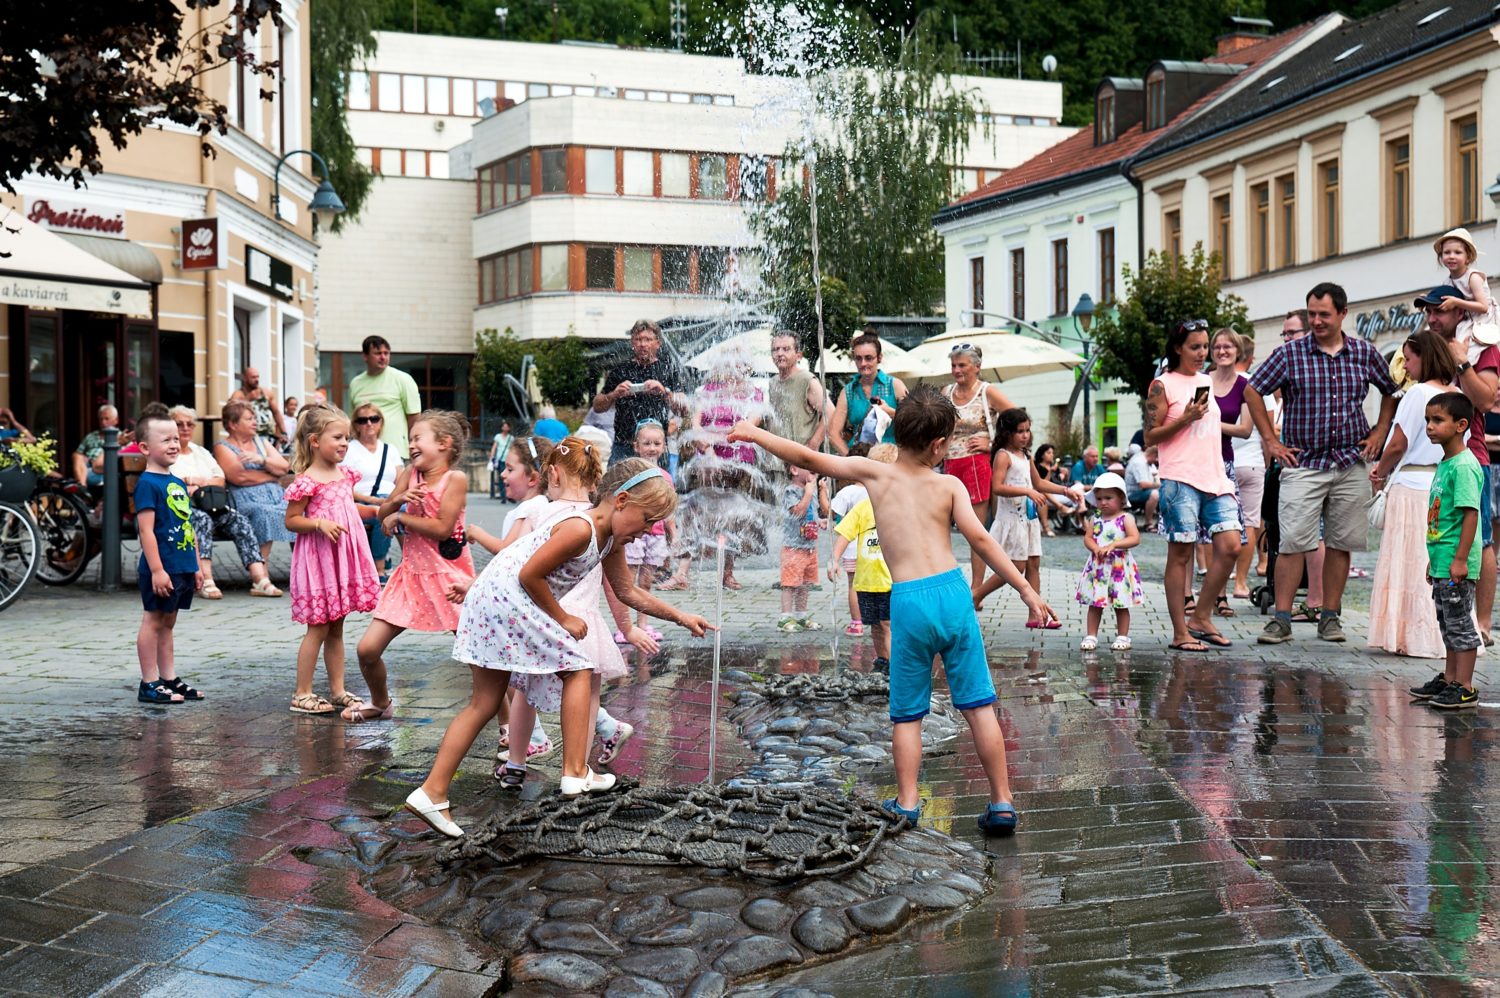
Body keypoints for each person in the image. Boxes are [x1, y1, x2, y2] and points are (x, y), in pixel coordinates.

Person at [728, 387, 1055, 837]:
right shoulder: (950, 485)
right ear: (940, 446)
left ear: (897, 432)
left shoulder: (874, 475)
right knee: (979, 706)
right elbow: (981, 540)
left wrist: (753, 434)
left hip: (910, 601)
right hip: (953, 595)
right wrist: (1024, 590)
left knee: (907, 713)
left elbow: (810, 457)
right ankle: (1001, 802)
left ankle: (907, 802)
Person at [406, 460, 711, 836]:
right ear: (622, 500)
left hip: (494, 601)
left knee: (485, 702)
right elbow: (528, 574)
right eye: (647, 519)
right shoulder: (579, 529)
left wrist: (681, 617)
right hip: (508, 598)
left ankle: (431, 793)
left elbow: (627, 591)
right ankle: (575, 772)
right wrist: (563, 618)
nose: (648, 531)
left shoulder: (610, 537)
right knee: (579, 668)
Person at [460, 440, 647, 792]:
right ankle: (580, 765)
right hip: (579, 617)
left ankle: (517, 762)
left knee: (526, 691)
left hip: (545, 612)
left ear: (552, 473)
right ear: (596, 481)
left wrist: (475, 584)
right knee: (587, 691)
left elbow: (508, 560)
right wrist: (627, 628)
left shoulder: (539, 511)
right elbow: (619, 589)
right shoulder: (599, 520)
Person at [1247, 284, 1399, 645]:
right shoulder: (1291, 353)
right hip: (1303, 460)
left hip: (1350, 459)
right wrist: (1270, 440)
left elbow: (1392, 390)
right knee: (1292, 542)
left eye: (1323, 315)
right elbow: (1254, 389)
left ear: (1343, 314)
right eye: (1311, 313)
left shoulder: (1364, 352)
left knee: (1340, 542)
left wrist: (1380, 431)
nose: (1316, 320)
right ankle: (1281, 619)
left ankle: (1329, 617)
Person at [347, 411, 475, 722]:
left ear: (444, 444)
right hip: (411, 578)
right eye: (411, 439)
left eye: (419, 438)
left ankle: (510, 724)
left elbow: (443, 528)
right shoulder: (410, 473)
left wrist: (402, 516)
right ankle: (380, 702)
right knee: (367, 649)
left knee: (479, 657)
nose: (412, 444)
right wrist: (399, 499)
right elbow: (382, 514)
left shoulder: (454, 479)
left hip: (450, 579)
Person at [1145, 318, 1241, 653]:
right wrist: (1185, 417)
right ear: (1178, 349)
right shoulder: (1162, 385)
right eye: (1196, 347)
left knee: (1231, 545)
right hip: (1180, 478)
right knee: (1181, 553)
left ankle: (1200, 616)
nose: (1203, 354)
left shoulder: (1206, 381)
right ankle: (1179, 633)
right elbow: (1150, 436)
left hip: (1215, 475)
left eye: (1205, 347)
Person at [283, 404, 381, 715]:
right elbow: (291, 520)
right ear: (314, 441)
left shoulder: (344, 475)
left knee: (337, 626)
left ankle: (337, 689)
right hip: (319, 561)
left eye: (347, 438)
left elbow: (348, 510)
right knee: (318, 628)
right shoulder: (307, 480)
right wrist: (318, 524)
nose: (344, 444)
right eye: (337, 437)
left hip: (342, 557)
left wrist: (379, 512)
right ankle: (302, 693)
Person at [1417, 285, 1500, 644]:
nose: (1433, 318)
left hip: (1473, 456)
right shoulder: (1432, 346)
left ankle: (1481, 624)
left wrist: (1462, 360)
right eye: (1429, 312)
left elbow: (1484, 399)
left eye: (1440, 311)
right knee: (1446, 529)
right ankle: (1456, 629)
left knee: (1481, 539)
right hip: (1444, 458)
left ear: (1460, 312)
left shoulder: (1482, 347)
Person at [1367, 333, 1457, 658]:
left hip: (1411, 484)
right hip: (1441, 484)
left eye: (1410, 358)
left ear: (1425, 357)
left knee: (1408, 561)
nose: (1405, 365)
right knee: (1434, 560)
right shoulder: (1456, 394)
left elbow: (1397, 444)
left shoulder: (1417, 393)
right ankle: (1438, 634)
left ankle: (1404, 634)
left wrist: (1379, 471)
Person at [1409, 392, 1485, 709]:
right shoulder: (1446, 463)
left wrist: (1459, 559)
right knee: (1448, 624)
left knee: (1460, 625)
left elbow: (1470, 514)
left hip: (1457, 562)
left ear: (1460, 425)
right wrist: (1435, 560)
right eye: (1427, 419)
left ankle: (1465, 686)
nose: (1429, 426)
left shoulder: (1465, 466)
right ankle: (1450, 679)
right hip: (1443, 560)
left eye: (1437, 420)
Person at [168, 405, 281, 599]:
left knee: (239, 521)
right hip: (179, 508)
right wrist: (191, 484)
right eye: (179, 424)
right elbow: (166, 483)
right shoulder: (167, 452)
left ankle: (260, 579)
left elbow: (219, 479)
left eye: (189, 424)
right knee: (202, 520)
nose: (185, 428)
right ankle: (206, 580)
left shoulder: (200, 452)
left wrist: (198, 482)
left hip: (209, 503)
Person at [131, 412, 204, 704]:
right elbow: (146, 532)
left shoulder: (175, 481)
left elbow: (188, 526)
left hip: (182, 565)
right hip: (160, 569)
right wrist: (157, 570)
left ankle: (168, 678)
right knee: (153, 619)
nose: (174, 444)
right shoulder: (148, 484)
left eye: (176, 438)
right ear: (145, 448)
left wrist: (196, 565)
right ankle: (148, 682)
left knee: (169, 622)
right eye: (166, 440)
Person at [979, 407, 1076, 623]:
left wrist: (1065, 490)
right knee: (1015, 567)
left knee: (1033, 565)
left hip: (1028, 520)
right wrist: (1027, 490)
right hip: (1012, 520)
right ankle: (976, 595)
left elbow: (1039, 482)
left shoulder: (1025, 455)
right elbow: (997, 487)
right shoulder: (1003, 456)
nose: (1025, 435)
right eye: (1020, 431)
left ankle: (1036, 615)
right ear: (1007, 433)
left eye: (1028, 430)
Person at [942, 344, 1015, 585]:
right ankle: (944, 579)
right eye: (953, 365)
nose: (956, 370)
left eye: (962, 365)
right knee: (943, 526)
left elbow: (1016, 419)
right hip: (950, 463)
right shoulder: (946, 392)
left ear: (977, 366)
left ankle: (976, 587)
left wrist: (992, 443)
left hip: (977, 464)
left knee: (975, 529)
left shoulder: (987, 391)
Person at [829, 444, 897, 667]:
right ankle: (882, 661)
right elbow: (845, 535)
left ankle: (895, 665)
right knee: (875, 625)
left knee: (887, 623)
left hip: (890, 581)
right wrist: (834, 560)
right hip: (866, 581)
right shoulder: (863, 508)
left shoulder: (899, 506)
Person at [593, 319, 688, 464]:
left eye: (648, 339)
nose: (643, 344)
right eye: (638, 339)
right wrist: (614, 394)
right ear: (632, 343)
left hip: (655, 447)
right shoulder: (620, 370)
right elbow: (597, 406)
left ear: (658, 343)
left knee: (658, 487)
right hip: (624, 444)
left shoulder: (668, 369)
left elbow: (684, 410)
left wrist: (664, 392)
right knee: (616, 485)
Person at [215, 399, 296, 564]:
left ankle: (303, 569)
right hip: (246, 501)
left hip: (278, 498)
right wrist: (272, 476)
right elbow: (239, 477)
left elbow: (283, 467)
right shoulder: (222, 447)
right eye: (249, 419)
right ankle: (261, 572)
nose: (255, 422)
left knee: (299, 514)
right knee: (264, 514)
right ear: (233, 424)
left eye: (254, 418)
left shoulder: (261, 442)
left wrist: (262, 460)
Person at [1206, 327, 1252, 616]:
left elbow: (1246, 429)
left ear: (1238, 351)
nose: (1222, 351)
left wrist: (1211, 423)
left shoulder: (1244, 384)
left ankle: (1220, 594)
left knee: (1227, 534)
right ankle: (1204, 596)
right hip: (1199, 462)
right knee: (1201, 536)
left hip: (1225, 463)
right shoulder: (1202, 381)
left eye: (1228, 347)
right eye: (1217, 347)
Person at [617, 420, 675, 641]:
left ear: (663, 447)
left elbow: (669, 509)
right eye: (647, 443)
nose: (652, 448)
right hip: (634, 533)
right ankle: (625, 626)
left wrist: (673, 535)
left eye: (657, 443)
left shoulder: (665, 476)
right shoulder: (631, 473)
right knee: (627, 581)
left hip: (656, 534)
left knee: (647, 581)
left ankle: (643, 624)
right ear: (636, 446)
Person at [1076, 472, 1144, 652]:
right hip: (1098, 567)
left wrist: (1115, 545)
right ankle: (1091, 634)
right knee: (1095, 603)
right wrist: (1095, 548)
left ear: (1121, 498)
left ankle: (1123, 635)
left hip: (1118, 567)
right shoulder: (1095, 518)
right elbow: (1088, 538)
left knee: (1120, 603)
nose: (1103, 502)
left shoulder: (1125, 518)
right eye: (1099, 498)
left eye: (1108, 498)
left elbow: (1135, 538)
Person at [341, 404, 403, 584]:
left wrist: (394, 500)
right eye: (363, 420)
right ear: (356, 425)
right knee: (383, 514)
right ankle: (379, 568)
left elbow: (401, 481)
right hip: (362, 501)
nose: (369, 423)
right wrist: (373, 500)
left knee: (408, 512)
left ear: (381, 423)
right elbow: (343, 487)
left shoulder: (390, 450)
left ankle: (411, 563)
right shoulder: (349, 449)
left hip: (390, 499)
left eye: (374, 419)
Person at [1231, 333, 1272, 598]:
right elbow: (1267, 432)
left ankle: (1218, 577)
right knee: (1249, 522)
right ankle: (1241, 583)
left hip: (1223, 462)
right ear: (1250, 357)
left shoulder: (1215, 383)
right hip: (1252, 463)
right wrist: (1269, 464)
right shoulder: (1257, 386)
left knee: (1219, 522)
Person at [831, 331, 908, 453]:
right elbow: (833, 433)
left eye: (868, 358)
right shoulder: (848, 391)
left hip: (891, 459)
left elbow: (915, 420)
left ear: (879, 358)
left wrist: (891, 412)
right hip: (859, 461)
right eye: (858, 358)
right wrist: (850, 459)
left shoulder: (895, 385)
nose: (863, 363)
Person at [347, 335, 422, 452]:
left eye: (386, 353)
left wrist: (413, 444)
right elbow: (354, 420)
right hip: (364, 452)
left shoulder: (403, 379)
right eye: (377, 353)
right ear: (365, 356)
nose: (383, 357)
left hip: (397, 451)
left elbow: (414, 417)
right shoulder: (355, 384)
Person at [768, 331, 829, 462]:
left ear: (798, 355)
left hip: (800, 463)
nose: (779, 353)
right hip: (775, 461)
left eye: (786, 349)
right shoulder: (772, 383)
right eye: (775, 349)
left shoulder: (807, 380)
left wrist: (813, 445)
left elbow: (829, 413)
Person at [778, 465, 826, 632]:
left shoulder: (810, 491)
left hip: (810, 547)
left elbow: (812, 513)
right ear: (794, 470)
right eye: (807, 464)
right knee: (790, 584)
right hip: (794, 547)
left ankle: (801, 615)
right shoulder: (790, 491)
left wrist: (820, 522)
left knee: (805, 584)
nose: (813, 466)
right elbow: (798, 512)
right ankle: (785, 618)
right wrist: (808, 491)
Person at [1436, 227, 1497, 338]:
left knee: (1465, 347)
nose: (1451, 256)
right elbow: (1444, 301)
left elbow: (1484, 307)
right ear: (1441, 256)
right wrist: (1426, 301)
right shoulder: (1447, 282)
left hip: (1483, 321)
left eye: (1458, 252)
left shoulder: (1473, 278)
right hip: (1465, 322)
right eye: (1447, 252)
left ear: (1468, 258)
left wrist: (1456, 302)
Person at [231, 368, 286, 450]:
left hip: (268, 435)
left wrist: (284, 432)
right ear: (245, 378)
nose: (256, 380)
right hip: (250, 436)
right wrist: (248, 399)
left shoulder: (266, 393)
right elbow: (232, 414)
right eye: (253, 377)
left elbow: (276, 412)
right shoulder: (238, 395)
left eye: (257, 377)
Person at [73, 404, 118, 486]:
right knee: (77, 455)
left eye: (107, 419)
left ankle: (82, 490)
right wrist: (84, 459)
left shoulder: (121, 437)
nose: (103, 422)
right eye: (101, 419)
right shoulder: (91, 436)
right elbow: (78, 455)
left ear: (116, 420)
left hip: (106, 470)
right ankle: (82, 487)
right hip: (86, 467)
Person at [1125, 444, 1161, 530]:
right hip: (1132, 494)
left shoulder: (1148, 463)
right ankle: (1148, 523)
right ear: (1153, 455)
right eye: (1157, 457)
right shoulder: (1139, 462)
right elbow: (1143, 485)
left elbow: (1155, 478)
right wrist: (1159, 485)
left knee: (1165, 493)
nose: (1157, 461)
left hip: (1142, 492)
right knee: (1154, 494)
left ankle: (1161, 522)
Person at [488, 420, 515, 500]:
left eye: (507, 426)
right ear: (501, 427)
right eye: (504, 426)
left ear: (509, 428)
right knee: (501, 477)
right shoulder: (498, 437)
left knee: (509, 477)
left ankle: (508, 493)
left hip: (508, 459)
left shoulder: (511, 438)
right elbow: (494, 447)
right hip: (500, 459)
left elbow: (512, 448)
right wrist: (492, 457)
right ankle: (503, 494)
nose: (505, 428)